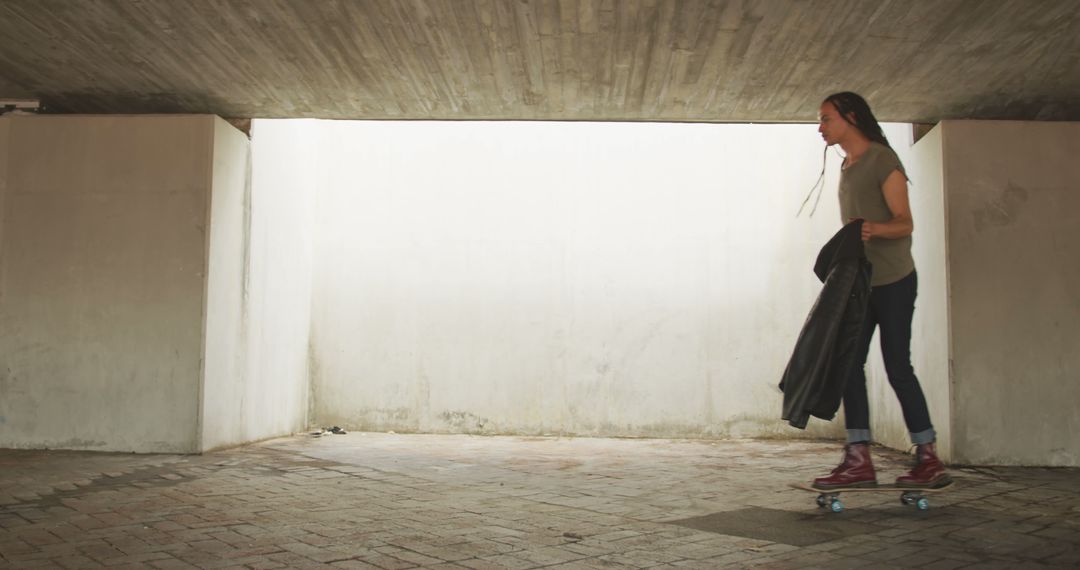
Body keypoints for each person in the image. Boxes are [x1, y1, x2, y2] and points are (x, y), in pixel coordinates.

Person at [812, 92, 951, 490]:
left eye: (826, 119)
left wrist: (873, 228)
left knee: (897, 368)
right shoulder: (847, 165)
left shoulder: (882, 160)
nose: (820, 127)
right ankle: (858, 459)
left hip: (894, 281)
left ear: (850, 117)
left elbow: (905, 223)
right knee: (849, 366)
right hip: (860, 283)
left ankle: (928, 458)